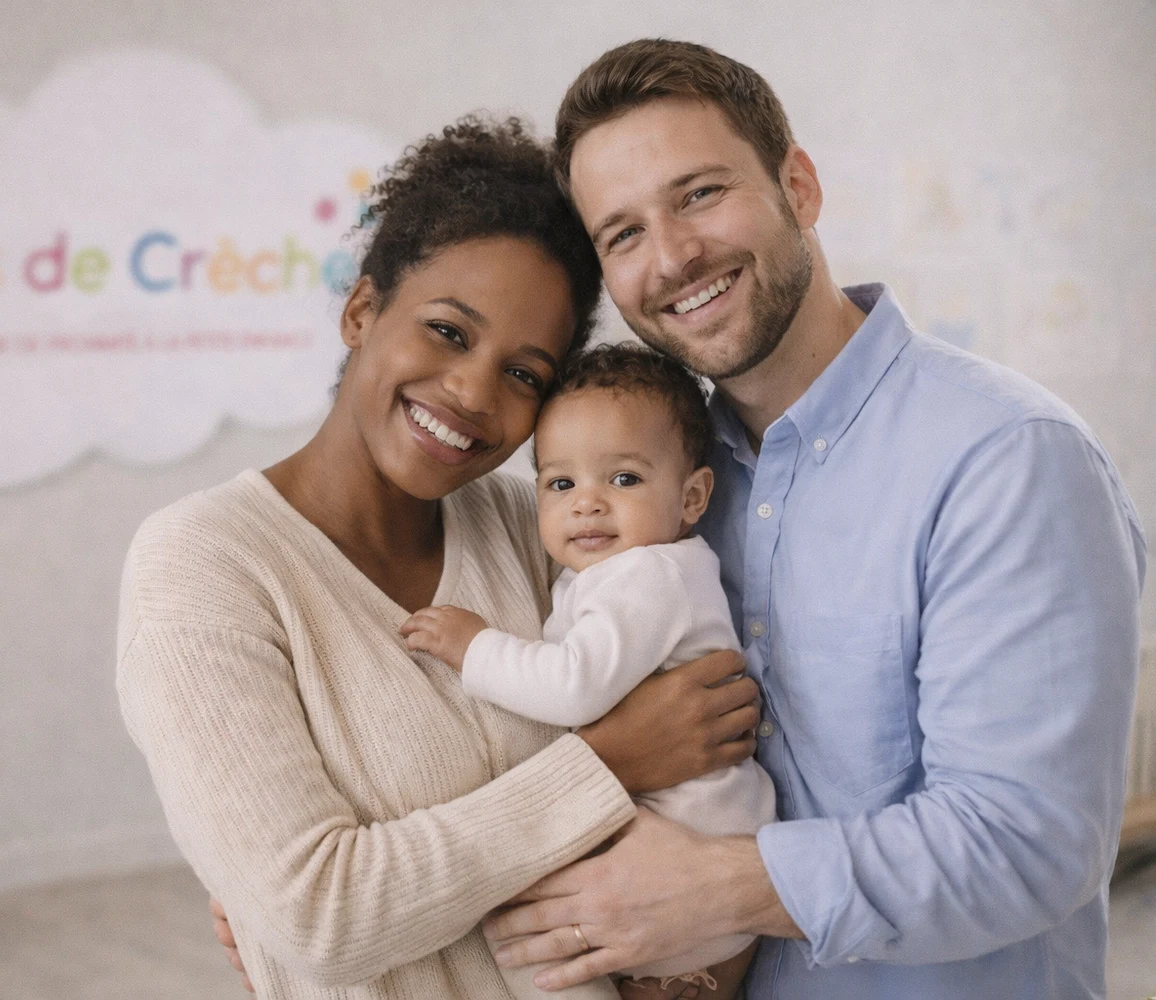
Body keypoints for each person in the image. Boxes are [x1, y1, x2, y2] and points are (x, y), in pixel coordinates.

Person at [480, 39, 1147, 1000]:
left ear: (799, 184)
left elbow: (1027, 843)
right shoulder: (652, 487)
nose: (671, 257)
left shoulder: (1009, 459)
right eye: (622, 234)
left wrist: (714, 888)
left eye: (700, 193)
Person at [117, 116, 762, 1000]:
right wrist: (612, 764)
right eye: (450, 332)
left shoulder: (529, 524)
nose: (471, 393)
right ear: (361, 309)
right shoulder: (204, 564)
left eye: (524, 374)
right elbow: (324, 918)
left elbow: (694, 725)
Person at [401, 343, 775, 997]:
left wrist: (475, 647)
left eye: (624, 479)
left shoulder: (647, 576)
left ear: (691, 497)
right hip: (688, 839)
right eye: (560, 483)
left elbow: (576, 685)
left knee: (515, 921)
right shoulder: (620, 573)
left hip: (691, 845)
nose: (588, 504)